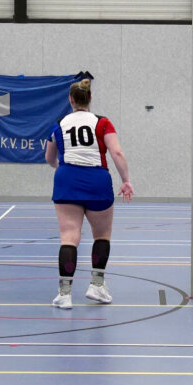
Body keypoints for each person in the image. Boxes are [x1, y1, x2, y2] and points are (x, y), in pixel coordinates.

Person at [45, 78, 133, 309]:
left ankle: (64, 294)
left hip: (67, 180)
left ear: (70, 100)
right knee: (101, 235)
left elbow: (49, 157)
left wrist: (62, 169)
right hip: (97, 180)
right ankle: (97, 285)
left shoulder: (58, 124)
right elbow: (117, 152)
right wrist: (126, 180)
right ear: (90, 98)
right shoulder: (102, 122)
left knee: (69, 237)